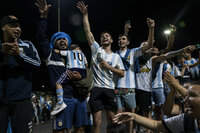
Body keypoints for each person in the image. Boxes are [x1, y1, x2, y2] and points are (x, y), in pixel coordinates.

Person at [35, 0, 88, 132]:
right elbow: (41, 38)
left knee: (80, 129)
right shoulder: (50, 54)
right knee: (59, 130)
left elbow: (85, 72)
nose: (62, 40)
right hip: (64, 99)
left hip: (79, 97)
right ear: (54, 43)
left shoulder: (75, 55)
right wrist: (43, 18)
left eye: (65, 38)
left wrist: (80, 77)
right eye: (59, 38)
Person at [77, 1, 125, 133]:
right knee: (96, 122)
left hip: (109, 89)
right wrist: (85, 14)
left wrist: (108, 67)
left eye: (107, 36)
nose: (104, 37)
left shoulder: (116, 57)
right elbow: (88, 31)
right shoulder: (96, 49)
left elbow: (122, 73)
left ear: (111, 40)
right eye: (102, 36)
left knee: (112, 121)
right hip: (96, 89)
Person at [113, 74, 200, 133]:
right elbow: (156, 124)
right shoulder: (186, 119)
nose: (185, 99)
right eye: (186, 95)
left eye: (192, 95)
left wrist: (175, 85)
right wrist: (134, 116)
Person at [0, 15, 41, 133]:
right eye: (13, 26)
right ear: (3, 27)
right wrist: (2, 53)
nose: (17, 29)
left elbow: (38, 65)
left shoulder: (27, 45)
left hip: (22, 101)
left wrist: (19, 56)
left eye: (19, 26)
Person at [114, 18, 154, 133]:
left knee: (129, 116)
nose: (121, 40)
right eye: (119, 39)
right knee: (118, 115)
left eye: (123, 39)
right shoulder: (114, 54)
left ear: (128, 42)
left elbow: (150, 44)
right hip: (116, 88)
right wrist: (125, 32)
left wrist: (151, 28)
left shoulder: (133, 52)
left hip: (129, 88)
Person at [51, 44, 88, 116]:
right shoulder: (83, 54)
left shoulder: (69, 52)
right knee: (84, 84)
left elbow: (58, 51)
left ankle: (60, 102)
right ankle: (87, 99)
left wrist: (53, 50)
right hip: (83, 71)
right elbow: (86, 64)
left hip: (72, 69)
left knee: (58, 83)